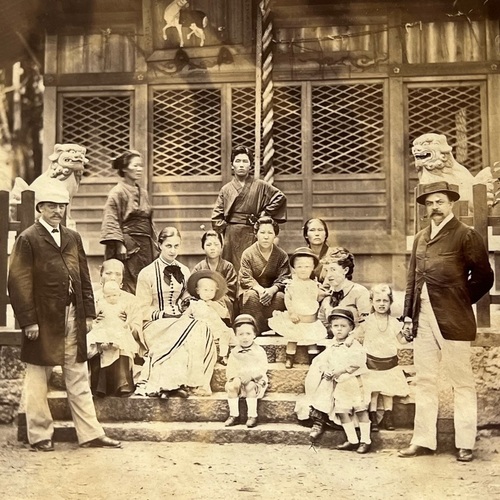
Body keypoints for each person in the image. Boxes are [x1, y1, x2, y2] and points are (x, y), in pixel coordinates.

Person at [7, 183, 121, 451]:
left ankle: (90, 433)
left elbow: (83, 275)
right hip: (42, 318)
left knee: (78, 373)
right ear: (40, 209)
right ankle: (40, 435)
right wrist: (28, 321)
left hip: (73, 314)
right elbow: (18, 282)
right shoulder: (28, 238)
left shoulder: (72, 237)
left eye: (61, 206)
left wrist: (89, 313)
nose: (57, 211)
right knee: (38, 378)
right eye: (51, 206)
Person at [398, 181, 494, 463]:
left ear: (451, 204)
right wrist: (408, 315)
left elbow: (484, 277)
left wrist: (460, 299)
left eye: (439, 201)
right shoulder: (421, 238)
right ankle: (423, 440)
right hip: (423, 318)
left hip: (453, 319)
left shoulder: (466, 235)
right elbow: (412, 279)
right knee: (425, 380)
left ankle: (465, 442)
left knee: (461, 381)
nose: (434, 208)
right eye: (429, 203)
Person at [135, 226, 217, 398]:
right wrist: (162, 314)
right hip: (155, 325)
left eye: (176, 246)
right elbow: (141, 309)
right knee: (192, 330)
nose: (173, 251)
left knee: (201, 328)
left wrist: (185, 306)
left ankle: (187, 383)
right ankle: (170, 384)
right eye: (168, 246)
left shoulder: (184, 270)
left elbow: (186, 298)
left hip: (179, 322)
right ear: (159, 245)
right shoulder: (146, 273)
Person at [295, 308, 372, 454]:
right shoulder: (332, 345)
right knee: (342, 411)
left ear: (351, 328)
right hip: (341, 385)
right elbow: (323, 360)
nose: (339, 329)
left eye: (343, 326)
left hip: (354, 382)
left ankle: (365, 440)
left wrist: (340, 371)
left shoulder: (353, 345)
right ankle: (352, 440)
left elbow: (357, 362)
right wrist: (327, 370)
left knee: (360, 410)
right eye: (335, 326)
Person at [211, 146, 287, 271]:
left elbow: (280, 197)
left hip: (252, 232)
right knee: (232, 269)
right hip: (232, 234)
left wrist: (265, 213)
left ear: (250, 165)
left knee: (253, 266)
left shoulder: (260, 185)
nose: (241, 165)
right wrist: (226, 229)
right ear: (232, 165)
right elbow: (216, 218)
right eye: (238, 161)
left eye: (245, 161)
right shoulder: (226, 189)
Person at [100, 150, 158, 293]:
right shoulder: (117, 192)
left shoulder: (143, 192)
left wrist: (155, 242)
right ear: (125, 168)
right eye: (135, 166)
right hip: (128, 244)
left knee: (146, 279)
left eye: (141, 166)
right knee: (129, 280)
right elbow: (111, 219)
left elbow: (149, 221)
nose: (139, 169)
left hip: (146, 243)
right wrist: (120, 244)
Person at [356, 284, 410, 432]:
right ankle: (372, 416)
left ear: (390, 302)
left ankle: (388, 416)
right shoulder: (367, 322)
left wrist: (409, 334)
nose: (381, 304)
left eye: (385, 301)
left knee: (388, 392)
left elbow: (402, 340)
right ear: (372, 302)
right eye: (378, 300)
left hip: (389, 364)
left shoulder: (394, 322)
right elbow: (356, 337)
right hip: (372, 363)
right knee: (373, 391)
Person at [87, 259, 145, 397]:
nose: (113, 277)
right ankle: (99, 386)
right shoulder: (91, 298)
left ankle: (123, 383)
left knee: (121, 342)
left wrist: (128, 323)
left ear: (122, 280)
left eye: (118, 274)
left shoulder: (131, 300)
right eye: (108, 273)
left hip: (121, 340)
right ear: (100, 276)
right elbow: (81, 326)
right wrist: (93, 320)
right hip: (100, 342)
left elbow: (138, 331)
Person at [268, 247, 327, 368]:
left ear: (312, 268)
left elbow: (316, 298)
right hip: (297, 319)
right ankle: (290, 358)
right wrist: (291, 313)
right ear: (294, 269)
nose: (303, 270)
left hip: (310, 320)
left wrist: (324, 294)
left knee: (312, 340)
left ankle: (313, 359)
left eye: (307, 266)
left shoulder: (314, 284)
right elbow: (288, 299)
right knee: (292, 339)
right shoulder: (292, 284)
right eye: (299, 267)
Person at [239, 216, 291, 334]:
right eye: (262, 232)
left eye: (270, 233)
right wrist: (260, 290)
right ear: (256, 234)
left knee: (281, 298)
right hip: (254, 290)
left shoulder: (281, 255)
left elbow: (284, 277)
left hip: (273, 291)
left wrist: (272, 290)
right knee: (250, 297)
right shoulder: (248, 253)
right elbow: (245, 277)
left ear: (275, 235)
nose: (266, 236)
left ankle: (276, 328)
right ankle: (254, 329)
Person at [224, 314, 269, 428]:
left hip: (255, 380)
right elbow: (231, 368)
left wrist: (251, 376)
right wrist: (235, 378)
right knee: (231, 387)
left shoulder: (258, 351)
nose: (245, 337)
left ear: (254, 335)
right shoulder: (234, 352)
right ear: (236, 336)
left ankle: (252, 415)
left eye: (248, 334)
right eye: (241, 334)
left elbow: (262, 368)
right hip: (239, 380)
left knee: (249, 386)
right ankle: (234, 415)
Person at [185, 270, 236, 366]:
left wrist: (214, 305)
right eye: (205, 290)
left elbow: (225, 314)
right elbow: (185, 315)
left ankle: (223, 355)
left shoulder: (214, 303)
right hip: (202, 328)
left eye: (211, 290)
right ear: (197, 291)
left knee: (226, 333)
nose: (208, 293)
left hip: (216, 328)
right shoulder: (194, 304)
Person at [317, 247, 371, 329]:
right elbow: (321, 324)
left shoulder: (359, 292)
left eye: (333, 270)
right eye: (326, 270)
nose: (328, 275)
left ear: (345, 270)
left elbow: (366, 323)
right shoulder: (327, 294)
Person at [192, 229, 238, 321]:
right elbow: (193, 288)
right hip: (203, 300)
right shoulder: (199, 267)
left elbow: (231, 289)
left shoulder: (228, 266)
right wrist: (204, 297)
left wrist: (213, 298)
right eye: (208, 245)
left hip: (223, 301)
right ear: (203, 247)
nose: (212, 248)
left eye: (216, 244)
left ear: (221, 247)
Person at [302, 218, 331, 283]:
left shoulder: (334, 255)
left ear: (326, 234)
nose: (317, 234)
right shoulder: (301, 256)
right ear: (306, 235)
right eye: (312, 230)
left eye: (320, 230)